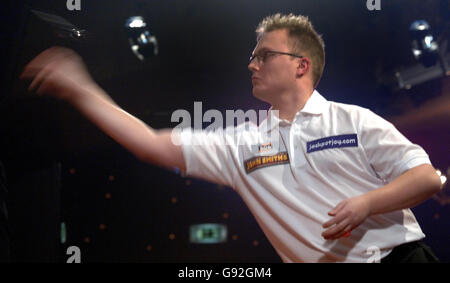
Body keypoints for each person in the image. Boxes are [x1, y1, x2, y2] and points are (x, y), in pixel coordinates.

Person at [20, 13, 443, 263]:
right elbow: (148, 143)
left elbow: (425, 178)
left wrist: (366, 202)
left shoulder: (352, 119)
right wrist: (80, 89)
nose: (250, 64)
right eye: (252, 55)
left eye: (264, 55)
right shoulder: (239, 142)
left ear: (301, 65)